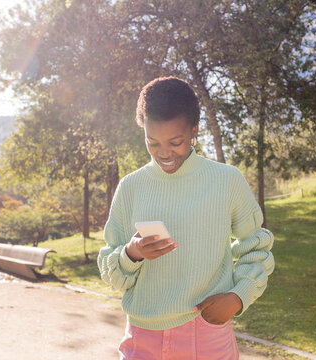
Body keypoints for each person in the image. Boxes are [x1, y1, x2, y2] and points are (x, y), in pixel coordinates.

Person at [97, 76, 275, 359]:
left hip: (205, 333)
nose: (164, 153)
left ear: (194, 131)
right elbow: (111, 269)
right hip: (142, 337)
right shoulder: (131, 187)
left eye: (176, 142)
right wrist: (132, 253)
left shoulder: (226, 181)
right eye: (152, 142)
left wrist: (238, 296)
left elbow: (256, 247)